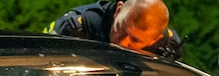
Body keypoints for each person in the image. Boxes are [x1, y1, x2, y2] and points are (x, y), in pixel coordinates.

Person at [44, 0, 182, 60]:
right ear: (118, 10)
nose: (122, 41)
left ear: (154, 39)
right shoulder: (75, 28)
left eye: (135, 40)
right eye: (121, 28)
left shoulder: (168, 48)